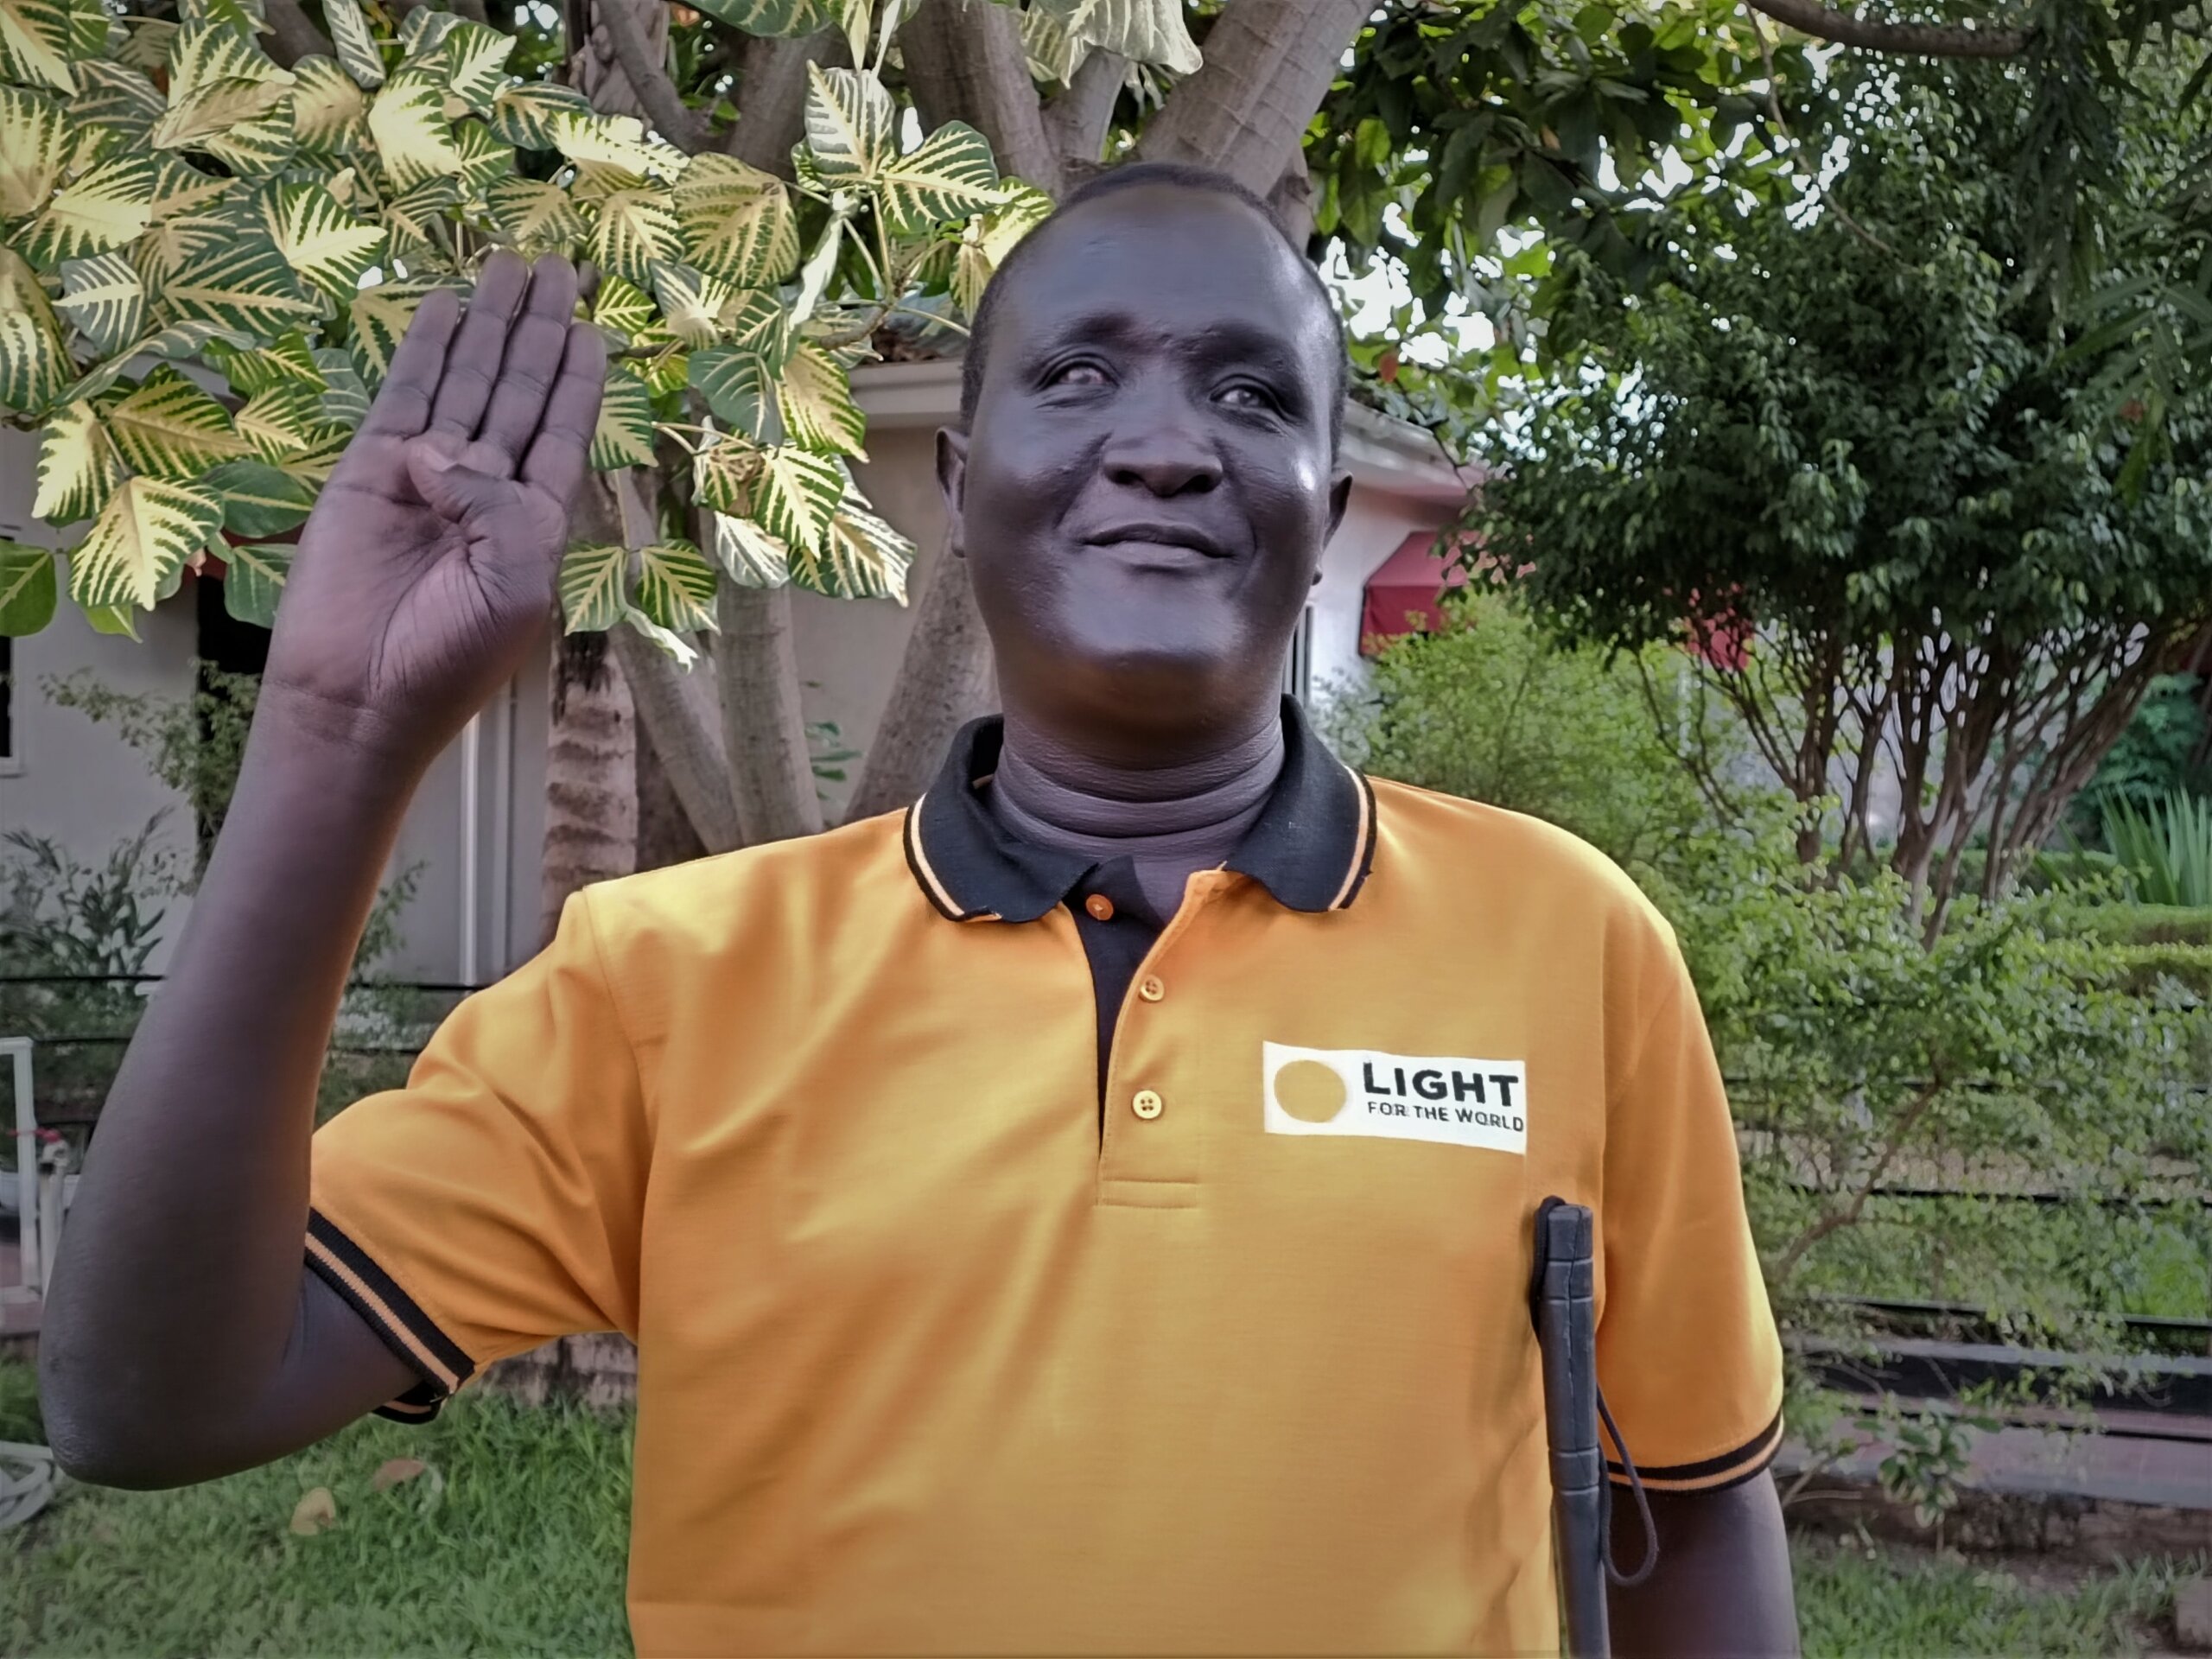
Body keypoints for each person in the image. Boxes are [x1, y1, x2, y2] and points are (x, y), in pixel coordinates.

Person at [39, 162, 1798, 1656]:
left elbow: (1699, 1520)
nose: (1169, 445)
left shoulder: (1560, 942)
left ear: (1326, 516)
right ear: (956, 492)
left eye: (1252, 395)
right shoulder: (670, 984)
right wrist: (339, 740)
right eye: (1081, 376)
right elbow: (149, 1404)